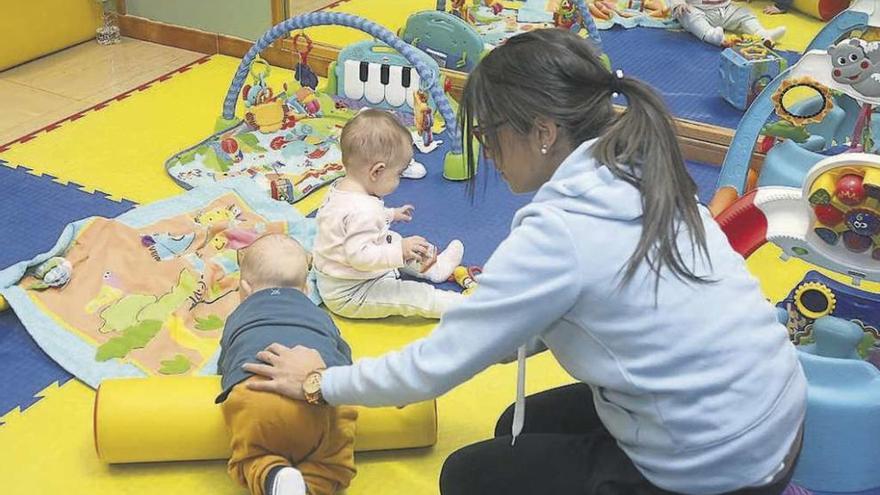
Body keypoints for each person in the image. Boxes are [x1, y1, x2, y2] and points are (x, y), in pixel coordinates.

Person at [241, 29, 807, 495]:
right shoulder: (640, 165)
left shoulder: (559, 232)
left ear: (543, 132)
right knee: (520, 427)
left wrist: (318, 381)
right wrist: (496, 325)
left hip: (716, 469)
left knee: (466, 477)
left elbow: (432, 369)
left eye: (489, 135)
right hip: (775, 416)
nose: (487, 153)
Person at [217, 234, 357, 495]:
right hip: (321, 396)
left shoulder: (237, 317)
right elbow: (344, 357)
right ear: (306, 291)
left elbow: (227, 363)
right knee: (332, 464)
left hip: (257, 393)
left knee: (251, 457)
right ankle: (310, 485)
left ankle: (276, 476)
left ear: (245, 290)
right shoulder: (319, 315)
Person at [313, 109, 465, 320]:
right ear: (376, 171)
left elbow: (348, 223)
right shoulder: (362, 210)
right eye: (397, 175)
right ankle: (463, 307)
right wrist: (399, 252)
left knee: (395, 240)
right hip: (353, 292)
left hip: (340, 276)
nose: (399, 181)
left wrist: (390, 214)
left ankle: (434, 268)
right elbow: (359, 257)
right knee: (411, 294)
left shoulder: (342, 189)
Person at [671, 0, 786, 46]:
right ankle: (710, 34)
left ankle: (762, 34)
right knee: (688, 15)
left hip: (725, 9)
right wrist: (678, 4)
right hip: (698, 9)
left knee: (745, 14)